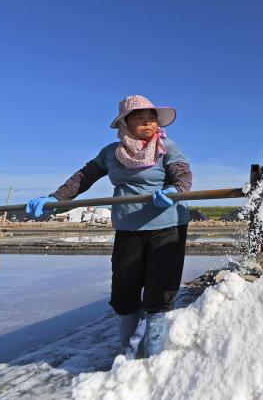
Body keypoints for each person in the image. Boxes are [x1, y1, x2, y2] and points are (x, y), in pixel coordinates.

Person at [26, 95, 192, 358]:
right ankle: (129, 353)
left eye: (151, 118)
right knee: (124, 290)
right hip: (128, 228)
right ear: (124, 124)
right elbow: (83, 177)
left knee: (159, 291)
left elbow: (182, 176)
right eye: (140, 118)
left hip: (167, 224)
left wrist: (174, 190)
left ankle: (154, 355)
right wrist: (55, 198)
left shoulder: (166, 147)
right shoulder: (111, 153)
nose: (148, 124)